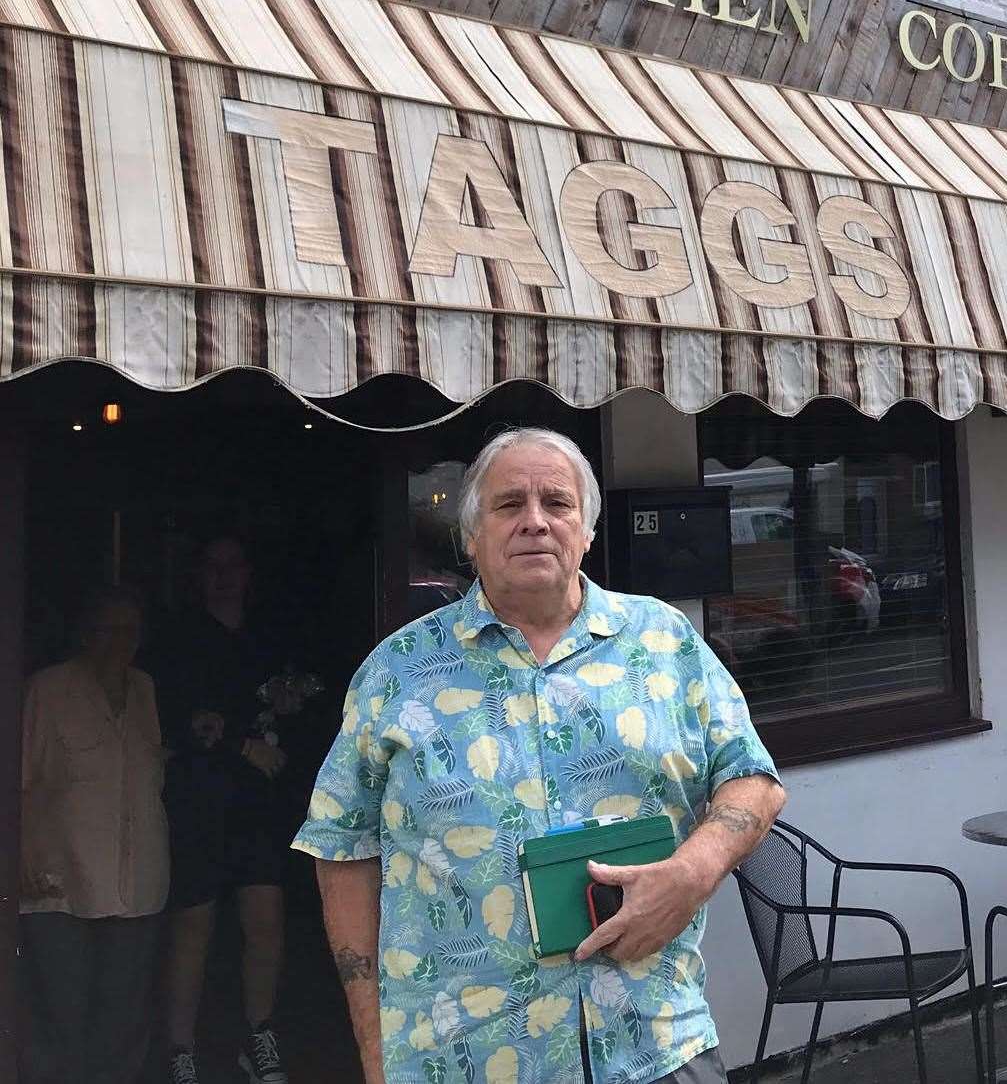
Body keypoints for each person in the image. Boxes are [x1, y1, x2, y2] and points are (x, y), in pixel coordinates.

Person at [293, 428, 786, 1084]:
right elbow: (342, 848)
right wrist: (375, 1053)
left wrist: (693, 873)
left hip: (654, 1044)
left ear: (585, 530)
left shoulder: (665, 640)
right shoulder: (397, 673)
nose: (534, 521)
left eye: (557, 503)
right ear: (470, 537)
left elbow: (754, 780)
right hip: (467, 1056)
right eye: (508, 505)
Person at [153, 536, 305, 1084]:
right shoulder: (176, 638)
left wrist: (293, 703)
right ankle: (179, 1051)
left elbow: (297, 699)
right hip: (199, 798)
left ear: (248, 573)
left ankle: (258, 1035)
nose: (223, 575)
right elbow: (175, 717)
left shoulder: (268, 635)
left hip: (259, 804)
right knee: (193, 925)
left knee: (265, 920)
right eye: (212, 565)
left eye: (232, 565)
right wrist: (243, 745)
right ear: (198, 574)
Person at [20, 586, 169, 1084]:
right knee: (61, 1018)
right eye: (110, 629)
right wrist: (23, 860)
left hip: (137, 879)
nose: (120, 641)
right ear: (85, 634)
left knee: (124, 1019)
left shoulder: (146, 687)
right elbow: (24, 782)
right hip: (60, 879)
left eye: (131, 631)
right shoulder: (48, 689)